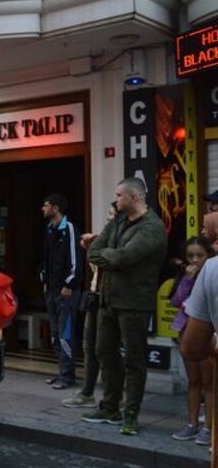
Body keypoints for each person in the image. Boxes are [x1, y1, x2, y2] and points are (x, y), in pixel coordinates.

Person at [79, 178, 167, 436]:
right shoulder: (118, 220)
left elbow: (126, 257)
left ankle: (131, 414)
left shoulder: (152, 227)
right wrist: (105, 253)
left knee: (134, 360)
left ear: (134, 197)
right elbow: (96, 250)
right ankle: (109, 407)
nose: (116, 200)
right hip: (108, 300)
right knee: (104, 352)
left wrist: (104, 253)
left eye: (119, 196)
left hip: (134, 303)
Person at [64, 202, 120, 408]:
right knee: (89, 346)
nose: (108, 218)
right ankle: (87, 392)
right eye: (108, 213)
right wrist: (91, 249)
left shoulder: (124, 240)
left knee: (106, 349)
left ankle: (113, 397)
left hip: (112, 300)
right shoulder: (104, 238)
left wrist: (94, 248)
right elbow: (97, 269)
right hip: (95, 296)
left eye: (112, 214)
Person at [168, 237, 214, 445]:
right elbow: (176, 301)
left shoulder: (212, 275)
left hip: (205, 334)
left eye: (200, 256)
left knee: (209, 382)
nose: (195, 260)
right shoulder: (185, 275)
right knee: (193, 380)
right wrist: (186, 279)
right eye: (190, 256)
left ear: (209, 256)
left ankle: (209, 427)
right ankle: (192, 423)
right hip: (186, 330)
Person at [39, 193, 83, 390]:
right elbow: (44, 259)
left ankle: (68, 376)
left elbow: (76, 261)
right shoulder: (49, 230)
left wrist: (69, 284)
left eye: (46, 205)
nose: (43, 208)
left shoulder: (70, 229)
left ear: (55, 208)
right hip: (51, 289)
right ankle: (61, 372)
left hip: (65, 292)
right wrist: (44, 280)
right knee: (55, 333)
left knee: (65, 334)